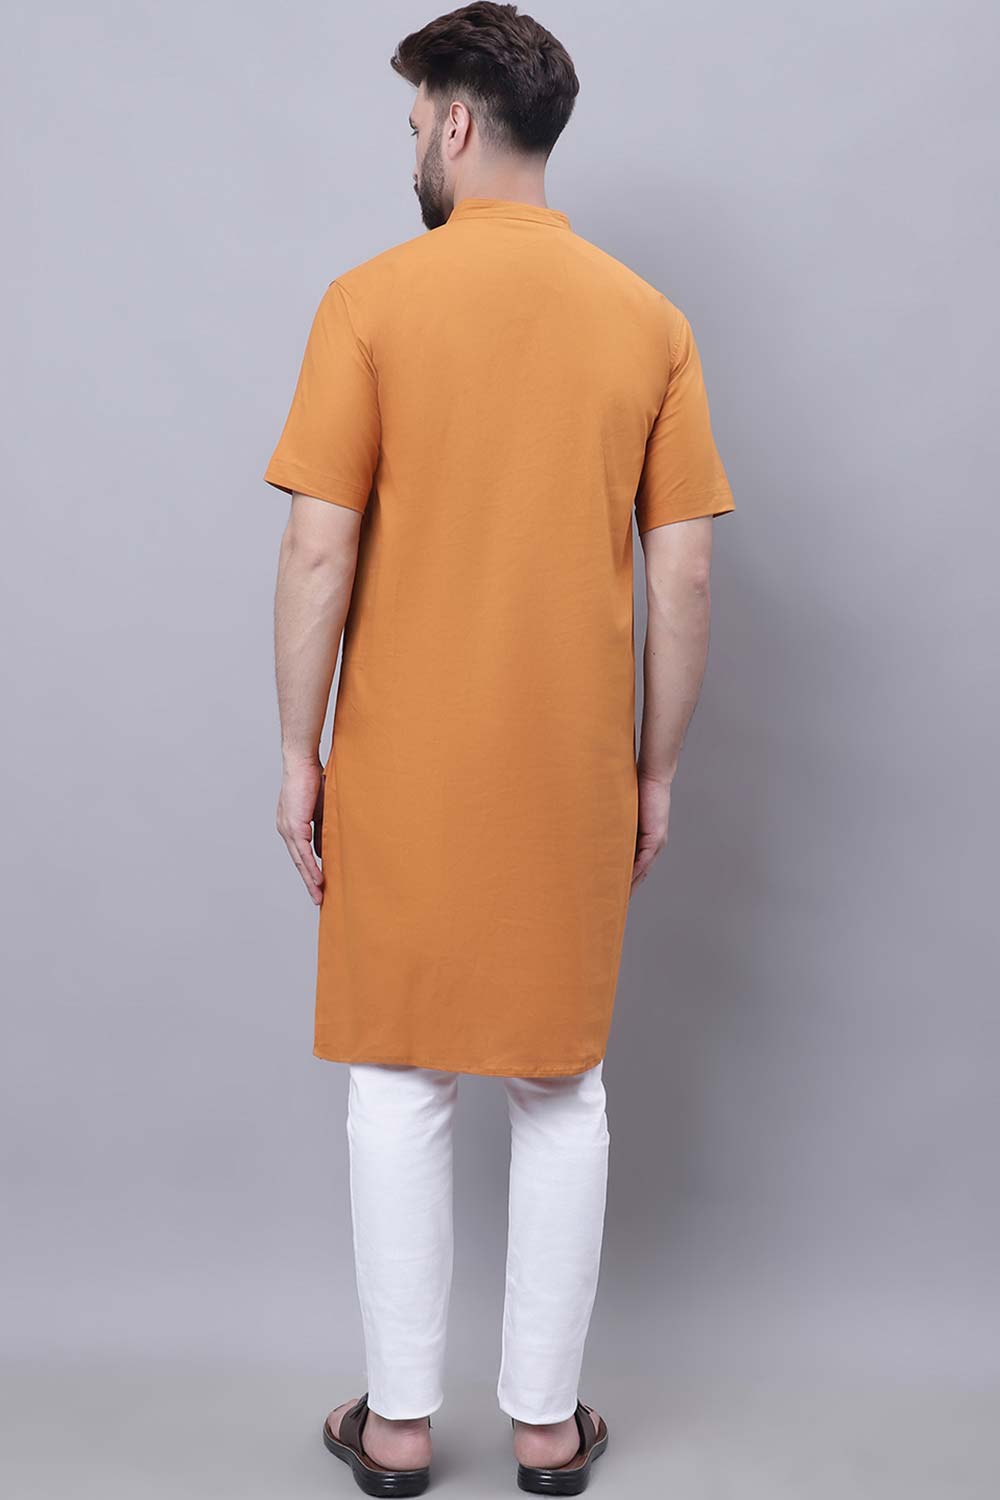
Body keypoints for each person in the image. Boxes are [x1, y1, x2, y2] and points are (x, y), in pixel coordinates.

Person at [263, 4, 735, 1493]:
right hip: (567, 771)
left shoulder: (367, 303)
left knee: (400, 1081)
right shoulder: (649, 322)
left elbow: (319, 551)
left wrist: (299, 751)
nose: (413, 142)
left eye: (416, 120)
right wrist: (653, 771)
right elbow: (684, 575)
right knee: (561, 1085)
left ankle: (399, 1428)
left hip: (398, 762)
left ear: (459, 121)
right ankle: (545, 1425)